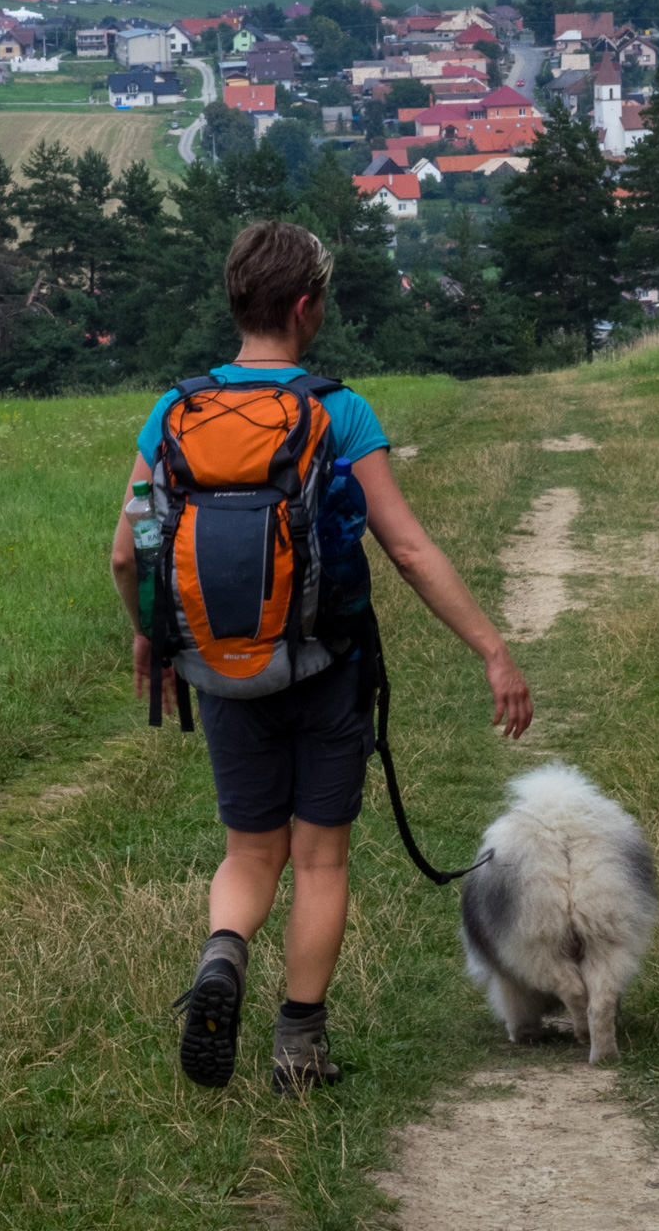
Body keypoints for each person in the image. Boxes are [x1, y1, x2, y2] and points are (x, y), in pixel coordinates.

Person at [109, 220, 534, 1094]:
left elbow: (128, 548)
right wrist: (493, 650)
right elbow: (409, 552)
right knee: (319, 861)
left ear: (238, 299)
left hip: (221, 668)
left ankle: (223, 957)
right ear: (307, 307)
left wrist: (154, 635)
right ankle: (298, 1052)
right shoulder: (339, 409)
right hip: (325, 665)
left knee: (247, 854)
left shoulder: (172, 411)